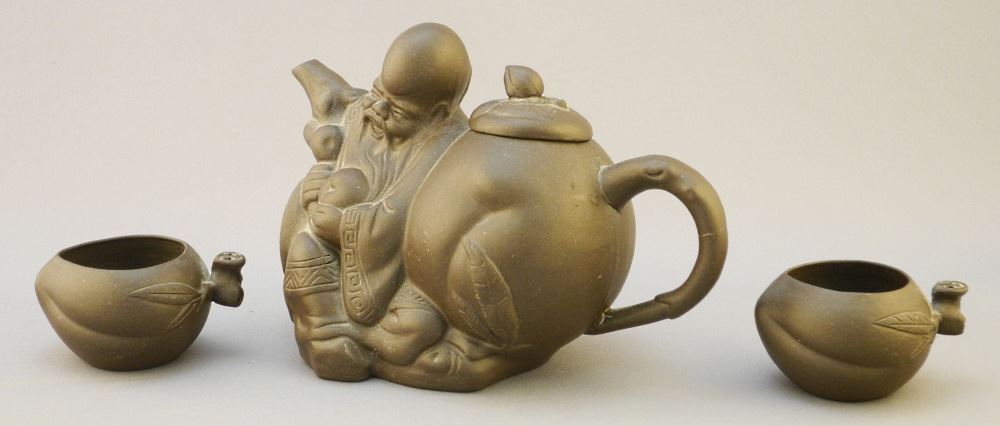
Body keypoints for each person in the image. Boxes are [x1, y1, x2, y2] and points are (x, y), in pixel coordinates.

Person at [284, 22, 472, 381]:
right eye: (378, 91)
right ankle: (323, 332)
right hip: (334, 252)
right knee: (304, 247)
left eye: (398, 110)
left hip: (405, 274)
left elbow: (405, 215)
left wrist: (344, 227)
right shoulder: (368, 113)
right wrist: (318, 181)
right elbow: (338, 153)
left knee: (421, 322)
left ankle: (362, 339)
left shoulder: (450, 146)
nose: (380, 110)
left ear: (437, 113)